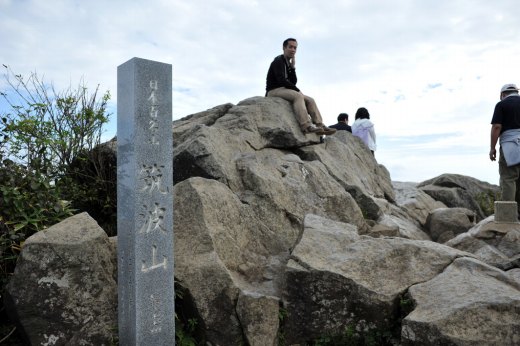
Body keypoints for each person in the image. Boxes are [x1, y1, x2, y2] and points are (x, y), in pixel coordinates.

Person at [266, 38, 336, 136]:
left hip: (285, 89)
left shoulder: (287, 63)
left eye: (295, 48)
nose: (293, 50)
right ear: (284, 48)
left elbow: (293, 82)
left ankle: (320, 126)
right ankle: (306, 126)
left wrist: (293, 67)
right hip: (274, 91)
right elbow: (281, 80)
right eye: (290, 47)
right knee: (298, 96)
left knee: (310, 100)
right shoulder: (278, 60)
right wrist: (298, 91)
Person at [489, 83, 520, 206]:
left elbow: (496, 127)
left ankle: (508, 215)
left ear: (502, 94)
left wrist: (492, 148)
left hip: (510, 145)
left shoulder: (502, 105)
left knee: (508, 178)